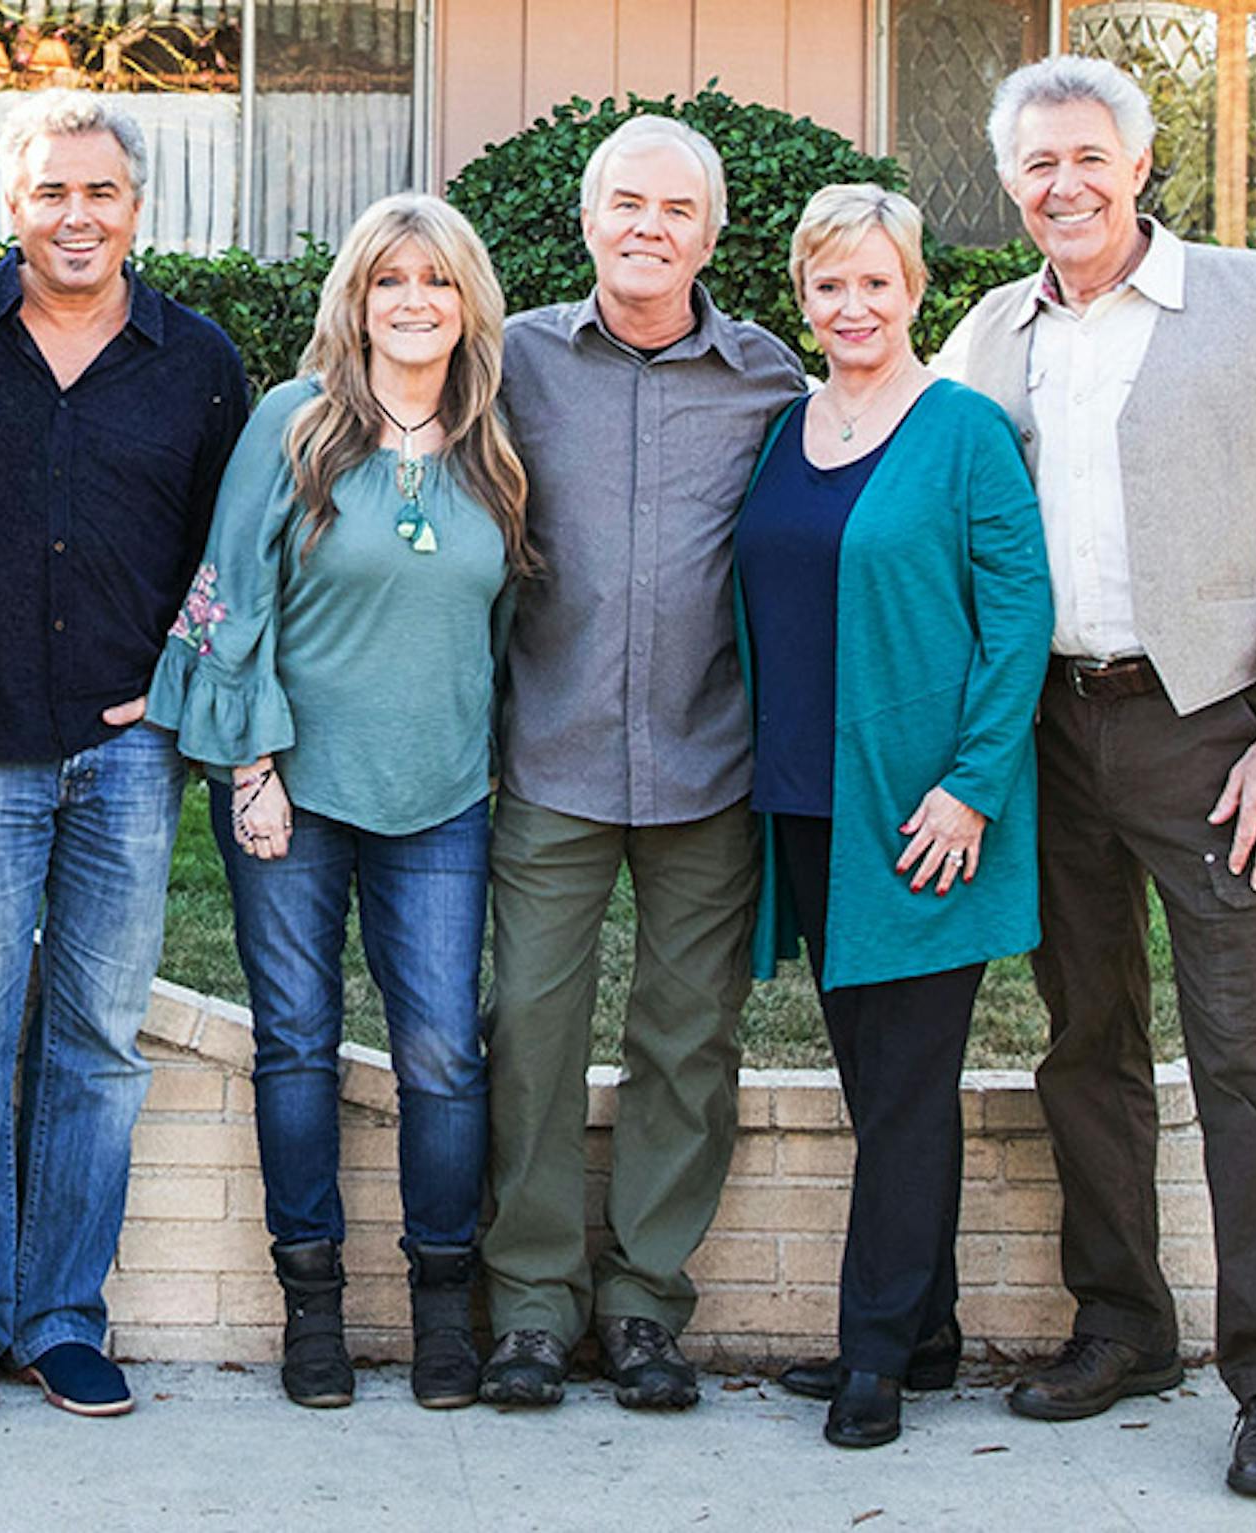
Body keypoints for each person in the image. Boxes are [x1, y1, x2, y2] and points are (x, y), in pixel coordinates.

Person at [934, 57, 1256, 1499]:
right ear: (1012, 186)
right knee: (1086, 1040)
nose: (1062, 185)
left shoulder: (1245, 298)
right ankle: (1121, 1322)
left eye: (1086, 157)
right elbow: (906, 477)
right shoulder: (991, 332)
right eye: (1035, 166)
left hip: (1211, 726)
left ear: (1136, 165)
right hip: (1049, 731)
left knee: (1252, 1053)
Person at [145, 194, 530, 1412]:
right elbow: (227, 598)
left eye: (436, 280)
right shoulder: (294, 423)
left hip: (441, 800)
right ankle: (311, 1308)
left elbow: (501, 630)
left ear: (468, 302)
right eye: (388, 281)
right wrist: (249, 770)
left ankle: (438, 1314)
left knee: (443, 1060)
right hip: (293, 795)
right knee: (299, 1047)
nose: (413, 301)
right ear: (355, 300)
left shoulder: (494, 443)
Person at [0, 90, 249, 1419]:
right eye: (51, 191)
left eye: (100, 192)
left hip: (125, 758)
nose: (76, 215)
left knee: (99, 1042)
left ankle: (62, 1316)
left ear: (137, 208)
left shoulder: (197, 359)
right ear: (13, 204)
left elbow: (232, 558)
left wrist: (181, 687)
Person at [479, 115, 809, 1410]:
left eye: (676, 210)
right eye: (626, 204)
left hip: (708, 763)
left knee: (688, 1042)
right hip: (547, 757)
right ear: (587, 219)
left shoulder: (771, 377)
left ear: (712, 236)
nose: (647, 229)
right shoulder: (514, 362)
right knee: (531, 1036)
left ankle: (645, 1306)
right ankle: (528, 1305)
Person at [738, 185, 1051, 1449]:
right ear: (803, 300)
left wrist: (974, 784)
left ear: (915, 290)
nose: (852, 306)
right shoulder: (782, 430)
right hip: (808, 807)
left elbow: (1018, 617)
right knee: (877, 1082)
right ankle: (927, 1330)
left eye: (876, 282)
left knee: (911, 1087)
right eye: (828, 285)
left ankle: (872, 1354)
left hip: (926, 816)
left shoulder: (965, 429)